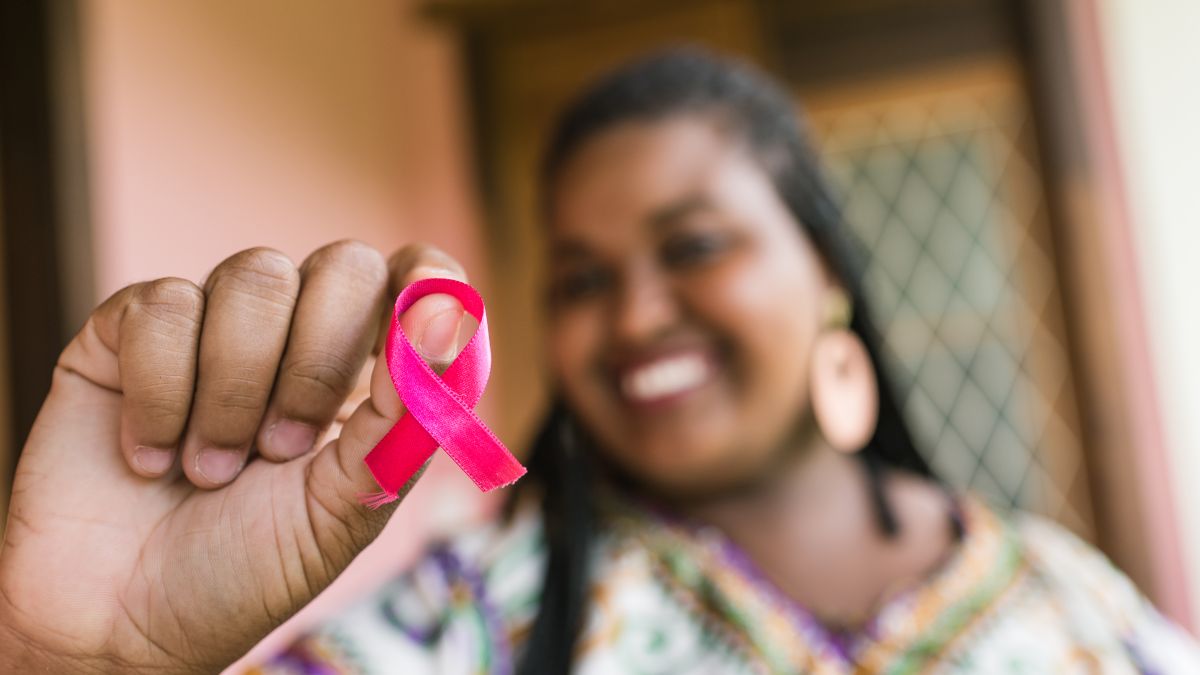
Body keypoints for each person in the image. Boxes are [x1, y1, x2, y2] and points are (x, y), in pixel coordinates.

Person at [0, 48, 1195, 674]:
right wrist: (85, 667)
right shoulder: (470, 620)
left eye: (695, 246)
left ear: (828, 272)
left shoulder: (1070, 599)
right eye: (579, 279)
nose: (632, 317)